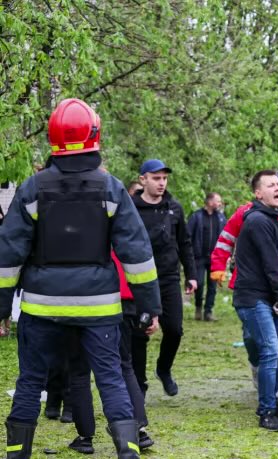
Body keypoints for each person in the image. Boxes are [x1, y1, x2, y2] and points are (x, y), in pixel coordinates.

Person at [0, 98, 161, 458]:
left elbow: (7, 256)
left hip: (41, 307)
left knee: (29, 382)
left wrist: (1, 311)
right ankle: (129, 452)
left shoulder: (32, 188)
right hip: (99, 307)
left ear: (52, 138)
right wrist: (149, 308)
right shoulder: (111, 188)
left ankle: (15, 454)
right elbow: (137, 253)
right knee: (111, 380)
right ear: (95, 135)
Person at [210, 171, 278, 399]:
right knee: (251, 337)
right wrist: (218, 266)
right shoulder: (248, 214)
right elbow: (226, 239)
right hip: (250, 285)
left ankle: (274, 383)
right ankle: (258, 370)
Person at [67, 253, 159, 455]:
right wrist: (151, 308)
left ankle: (85, 437)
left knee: (79, 371)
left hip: (78, 299)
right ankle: (139, 429)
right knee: (123, 367)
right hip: (120, 299)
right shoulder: (121, 222)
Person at [230, 170, 278, 432]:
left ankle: (271, 404)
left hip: (267, 296)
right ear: (258, 194)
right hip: (252, 297)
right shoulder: (258, 220)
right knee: (270, 350)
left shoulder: (272, 219)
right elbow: (271, 265)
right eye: (271, 185)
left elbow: (277, 264)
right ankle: (267, 411)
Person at [132, 159, 197, 397]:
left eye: (164, 178)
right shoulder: (131, 207)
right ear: (143, 180)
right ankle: (139, 385)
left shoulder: (174, 207)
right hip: (139, 278)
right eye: (156, 178)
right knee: (140, 333)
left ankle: (164, 369)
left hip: (168, 277)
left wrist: (191, 275)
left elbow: (185, 243)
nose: (161, 183)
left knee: (174, 329)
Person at [187, 192, 227, 321]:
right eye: (218, 201)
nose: (220, 203)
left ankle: (208, 312)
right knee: (199, 283)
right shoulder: (196, 217)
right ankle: (198, 308)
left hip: (215, 258)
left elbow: (225, 237)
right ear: (210, 202)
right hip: (199, 257)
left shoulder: (221, 218)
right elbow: (187, 236)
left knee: (212, 286)